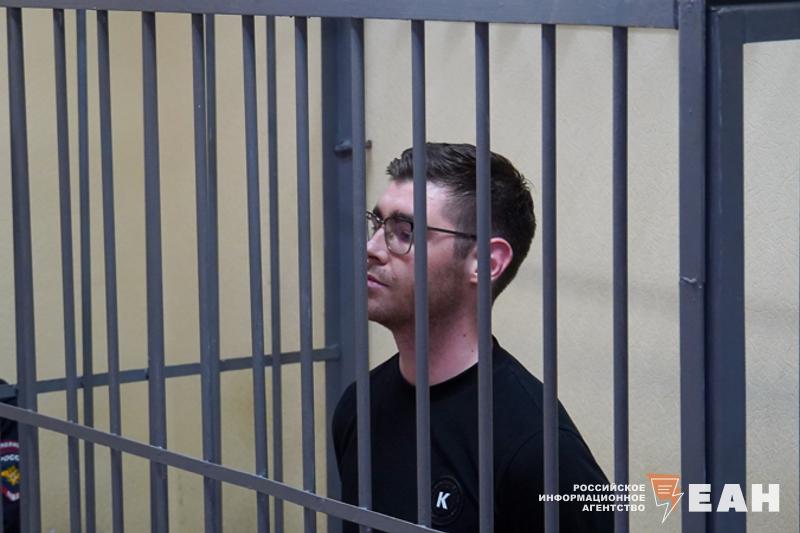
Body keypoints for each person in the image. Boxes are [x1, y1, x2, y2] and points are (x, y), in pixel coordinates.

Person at [332, 143, 613, 532]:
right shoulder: (357, 407)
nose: (372, 249)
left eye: (404, 232)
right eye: (377, 225)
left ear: (485, 262)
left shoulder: (539, 449)